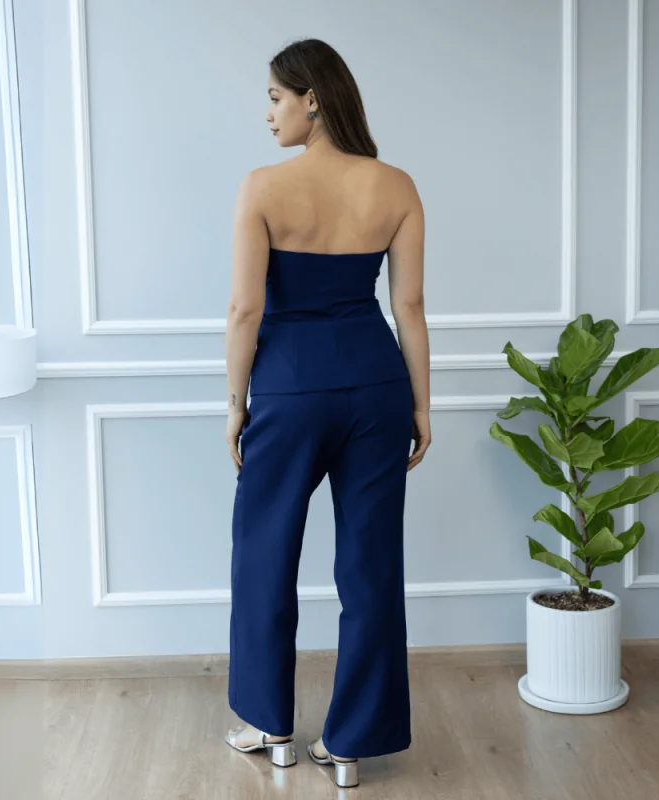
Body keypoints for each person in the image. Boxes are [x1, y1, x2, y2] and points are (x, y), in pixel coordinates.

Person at [223, 38, 431, 789]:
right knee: (371, 567)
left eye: (275, 97)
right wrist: (421, 404)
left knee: (264, 555)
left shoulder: (263, 188)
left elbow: (245, 310)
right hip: (377, 388)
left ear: (311, 98)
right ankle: (350, 744)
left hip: (289, 390)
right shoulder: (397, 186)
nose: (268, 113)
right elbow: (409, 307)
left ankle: (270, 725)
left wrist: (235, 406)